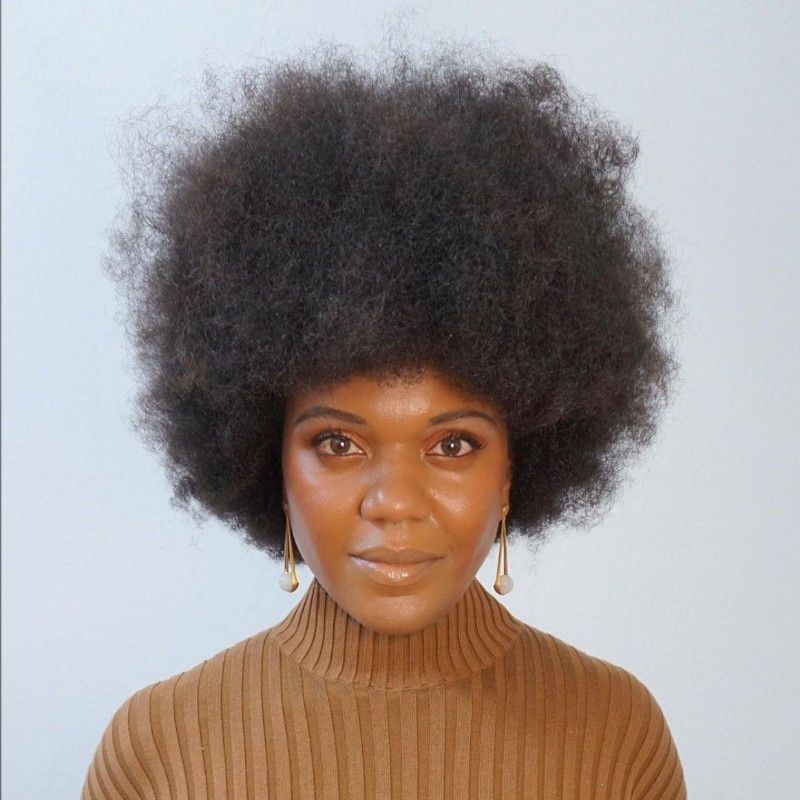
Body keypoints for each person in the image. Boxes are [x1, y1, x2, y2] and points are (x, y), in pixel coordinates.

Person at [82, 43, 686, 799]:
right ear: (268, 461)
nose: (393, 502)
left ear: (514, 468)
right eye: (337, 443)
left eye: (452, 444)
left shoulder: (616, 737)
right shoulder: (157, 752)